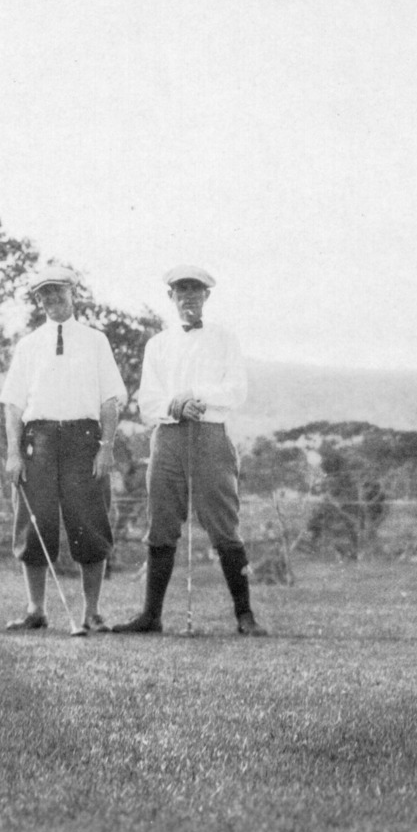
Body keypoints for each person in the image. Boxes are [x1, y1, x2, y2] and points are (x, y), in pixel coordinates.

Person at [114, 265, 266, 636]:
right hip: (168, 438)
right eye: (182, 291)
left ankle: (245, 616)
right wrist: (176, 405)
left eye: (196, 291)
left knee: (224, 524)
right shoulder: (158, 344)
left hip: (211, 436)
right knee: (162, 524)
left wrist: (198, 398)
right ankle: (151, 615)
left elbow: (236, 390)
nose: (189, 298)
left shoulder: (224, 339)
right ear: (171, 297)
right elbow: (148, 402)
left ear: (206, 296)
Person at [0, 265, 125, 632]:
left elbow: (110, 400)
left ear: (73, 294)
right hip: (38, 439)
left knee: (89, 523)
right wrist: (12, 452)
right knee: (34, 523)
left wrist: (106, 446)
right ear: (39, 301)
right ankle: (35, 610)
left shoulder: (95, 340)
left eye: (59, 291)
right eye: (44, 294)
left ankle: (92, 613)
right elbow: (13, 405)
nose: (52, 299)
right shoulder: (28, 344)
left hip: (84, 440)